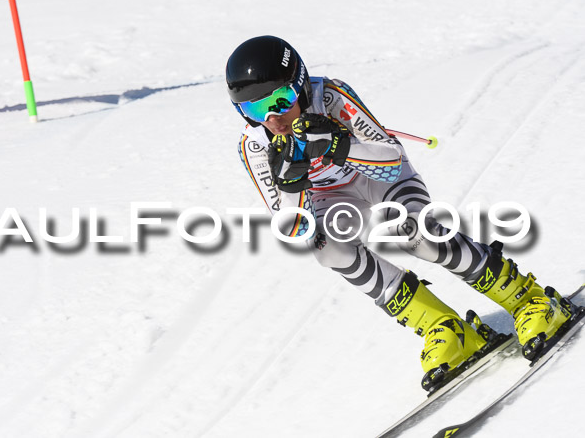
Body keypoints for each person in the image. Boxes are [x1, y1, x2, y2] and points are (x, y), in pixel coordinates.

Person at [226, 35, 574, 390]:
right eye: (255, 109)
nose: (273, 118)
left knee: (417, 236)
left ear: (300, 86)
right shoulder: (254, 145)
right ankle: (442, 326)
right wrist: (290, 186)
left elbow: (391, 159)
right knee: (327, 249)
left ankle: (529, 298)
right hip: (332, 197)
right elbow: (293, 227)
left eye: (280, 101)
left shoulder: (329, 97)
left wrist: (337, 145)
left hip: (376, 177)